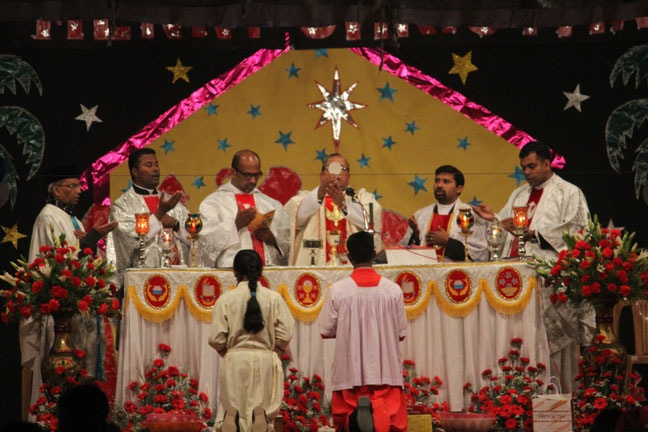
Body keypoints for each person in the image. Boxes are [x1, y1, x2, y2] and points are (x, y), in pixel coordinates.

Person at [472, 141, 594, 392]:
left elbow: (578, 230)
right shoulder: (519, 195)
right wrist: (494, 219)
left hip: (548, 279)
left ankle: (557, 395)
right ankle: (520, 392)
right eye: (524, 168)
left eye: (532, 166)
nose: (527, 172)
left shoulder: (568, 192)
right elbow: (507, 228)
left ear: (547, 164)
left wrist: (536, 235)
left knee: (549, 342)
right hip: (517, 278)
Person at [22, 167, 117, 417]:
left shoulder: (69, 217)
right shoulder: (49, 217)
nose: (78, 191)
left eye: (79, 186)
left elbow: (78, 254)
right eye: (72, 186)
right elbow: (59, 259)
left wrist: (90, 241)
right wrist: (92, 236)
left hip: (74, 308)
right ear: (56, 190)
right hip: (58, 312)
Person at [318, 231, 408, 432]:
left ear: (349, 257)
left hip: (351, 371)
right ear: (374, 254)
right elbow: (401, 333)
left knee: (347, 418)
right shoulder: (392, 290)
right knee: (389, 418)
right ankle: (378, 419)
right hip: (385, 370)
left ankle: (356, 418)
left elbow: (325, 330)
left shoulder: (338, 291)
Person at [209, 249, 294, 432]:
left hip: (235, 360)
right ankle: (261, 419)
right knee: (263, 411)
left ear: (235, 272)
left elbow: (216, 338)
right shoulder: (274, 298)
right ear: (261, 271)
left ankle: (232, 421)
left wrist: (226, 352)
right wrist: (275, 351)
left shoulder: (226, 299)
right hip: (266, 360)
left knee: (235, 411)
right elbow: (286, 333)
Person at [106, 148, 189, 280]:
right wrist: (159, 216)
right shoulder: (122, 206)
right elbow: (127, 241)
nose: (156, 169)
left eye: (156, 164)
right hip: (143, 279)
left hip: (177, 276)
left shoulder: (171, 202)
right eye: (149, 165)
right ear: (135, 171)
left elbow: (194, 238)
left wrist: (176, 225)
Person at [285, 154, 382, 266]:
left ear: (348, 177)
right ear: (322, 175)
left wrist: (343, 204)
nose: (335, 173)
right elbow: (294, 219)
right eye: (330, 168)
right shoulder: (305, 199)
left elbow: (370, 222)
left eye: (341, 169)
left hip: (353, 265)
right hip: (315, 265)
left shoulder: (362, 198)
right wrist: (320, 193)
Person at [199, 150, 290, 267]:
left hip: (267, 272)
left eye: (256, 175)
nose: (253, 180)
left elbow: (289, 245)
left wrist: (272, 239)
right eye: (247, 175)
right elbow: (202, 242)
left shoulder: (271, 204)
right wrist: (235, 225)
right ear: (233, 172)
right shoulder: (213, 203)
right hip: (231, 271)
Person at [408, 165, 488, 262]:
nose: (439, 185)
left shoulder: (469, 214)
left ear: (459, 189)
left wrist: (448, 242)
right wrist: (416, 236)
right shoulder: (421, 215)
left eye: (446, 181)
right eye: (437, 181)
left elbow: (479, 254)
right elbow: (407, 255)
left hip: (457, 271)